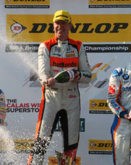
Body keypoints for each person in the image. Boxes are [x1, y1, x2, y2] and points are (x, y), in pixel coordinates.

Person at [28, 10, 92, 165]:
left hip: (72, 99)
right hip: (51, 98)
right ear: (53, 25)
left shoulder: (78, 46)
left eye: (64, 23)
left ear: (70, 25)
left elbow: (88, 76)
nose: (60, 27)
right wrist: (47, 80)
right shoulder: (46, 46)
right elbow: (42, 73)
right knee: (41, 139)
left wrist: (79, 76)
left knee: (71, 142)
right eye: (57, 23)